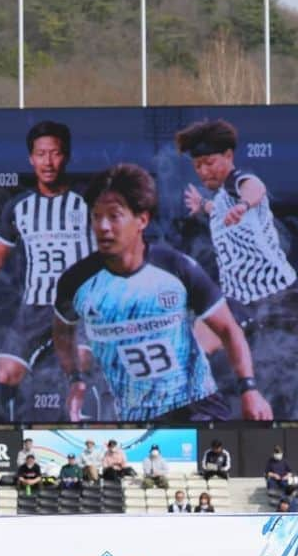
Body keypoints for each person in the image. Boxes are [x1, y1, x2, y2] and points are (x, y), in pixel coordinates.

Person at [53, 163, 272, 422]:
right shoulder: (76, 282)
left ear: (142, 220)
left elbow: (228, 329)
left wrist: (249, 389)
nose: (103, 227)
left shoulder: (176, 268)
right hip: (137, 418)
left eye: (114, 216)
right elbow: (62, 331)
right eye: (96, 216)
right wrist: (75, 378)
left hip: (197, 406)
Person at [0, 121, 94, 421]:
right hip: (36, 307)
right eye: (41, 154)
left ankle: (92, 433)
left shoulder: (88, 203)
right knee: (5, 374)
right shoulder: (19, 208)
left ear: (66, 156)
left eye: (55, 153)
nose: (48, 161)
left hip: (84, 304)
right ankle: (4, 436)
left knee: (82, 366)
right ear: (31, 159)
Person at [176, 120, 298, 334]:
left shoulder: (238, 182)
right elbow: (217, 210)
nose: (203, 171)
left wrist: (244, 206)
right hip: (241, 303)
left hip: (279, 296)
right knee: (203, 337)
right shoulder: (221, 199)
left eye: (209, 162)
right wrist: (201, 204)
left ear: (228, 156)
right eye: (197, 165)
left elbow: (255, 187)